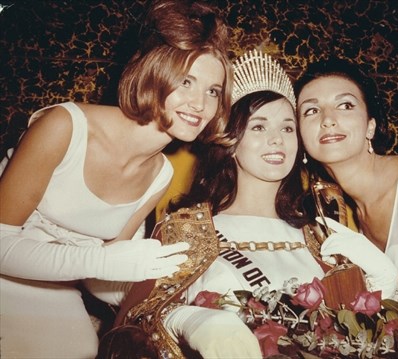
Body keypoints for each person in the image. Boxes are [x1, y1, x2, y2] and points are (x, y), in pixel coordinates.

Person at [105, 50, 398, 359]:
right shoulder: (187, 229)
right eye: (259, 127)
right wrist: (185, 320)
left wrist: (381, 288)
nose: (277, 140)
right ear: (231, 142)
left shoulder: (321, 234)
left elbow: (357, 337)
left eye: (287, 128)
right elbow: (133, 328)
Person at [0, 1, 233, 358]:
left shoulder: (160, 174)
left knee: (83, 351)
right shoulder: (63, 127)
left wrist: (181, 291)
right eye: (186, 82)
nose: (200, 103)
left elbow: (101, 278)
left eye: (213, 91)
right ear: (155, 72)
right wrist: (104, 261)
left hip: (58, 288)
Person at [294, 57, 398, 323]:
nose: (327, 120)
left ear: (371, 125)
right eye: (311, 111)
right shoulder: (342, 213)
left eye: (345, 105)